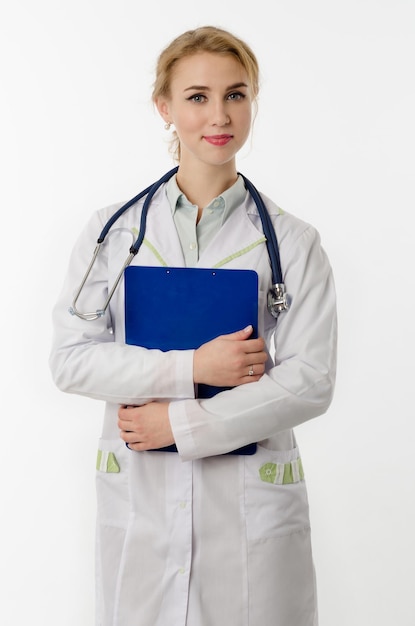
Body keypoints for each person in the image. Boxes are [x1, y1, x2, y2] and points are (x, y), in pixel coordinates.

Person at [49, 25, 337, 626]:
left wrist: (177, 422)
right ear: (165, 107)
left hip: (247, 499)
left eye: (236, 94)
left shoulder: (292, 242)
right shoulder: (115, 234)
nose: (220, 115)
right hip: (141, 497)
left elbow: (310, 380)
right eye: (198, 96)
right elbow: (72, 359)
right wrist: (194, 369)